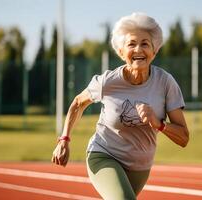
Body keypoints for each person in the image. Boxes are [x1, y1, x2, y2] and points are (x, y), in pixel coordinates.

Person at [51, 12, 189, 200]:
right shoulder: (108, 82)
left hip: (140, 167)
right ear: (122, 52)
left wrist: (159, 124)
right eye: (131, 44)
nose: (138, 49)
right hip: (104, 155)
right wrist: (64, 139)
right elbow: (77, 103)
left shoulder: (166, 83)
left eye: (145, 43)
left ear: (154, 51)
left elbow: (183, 138)